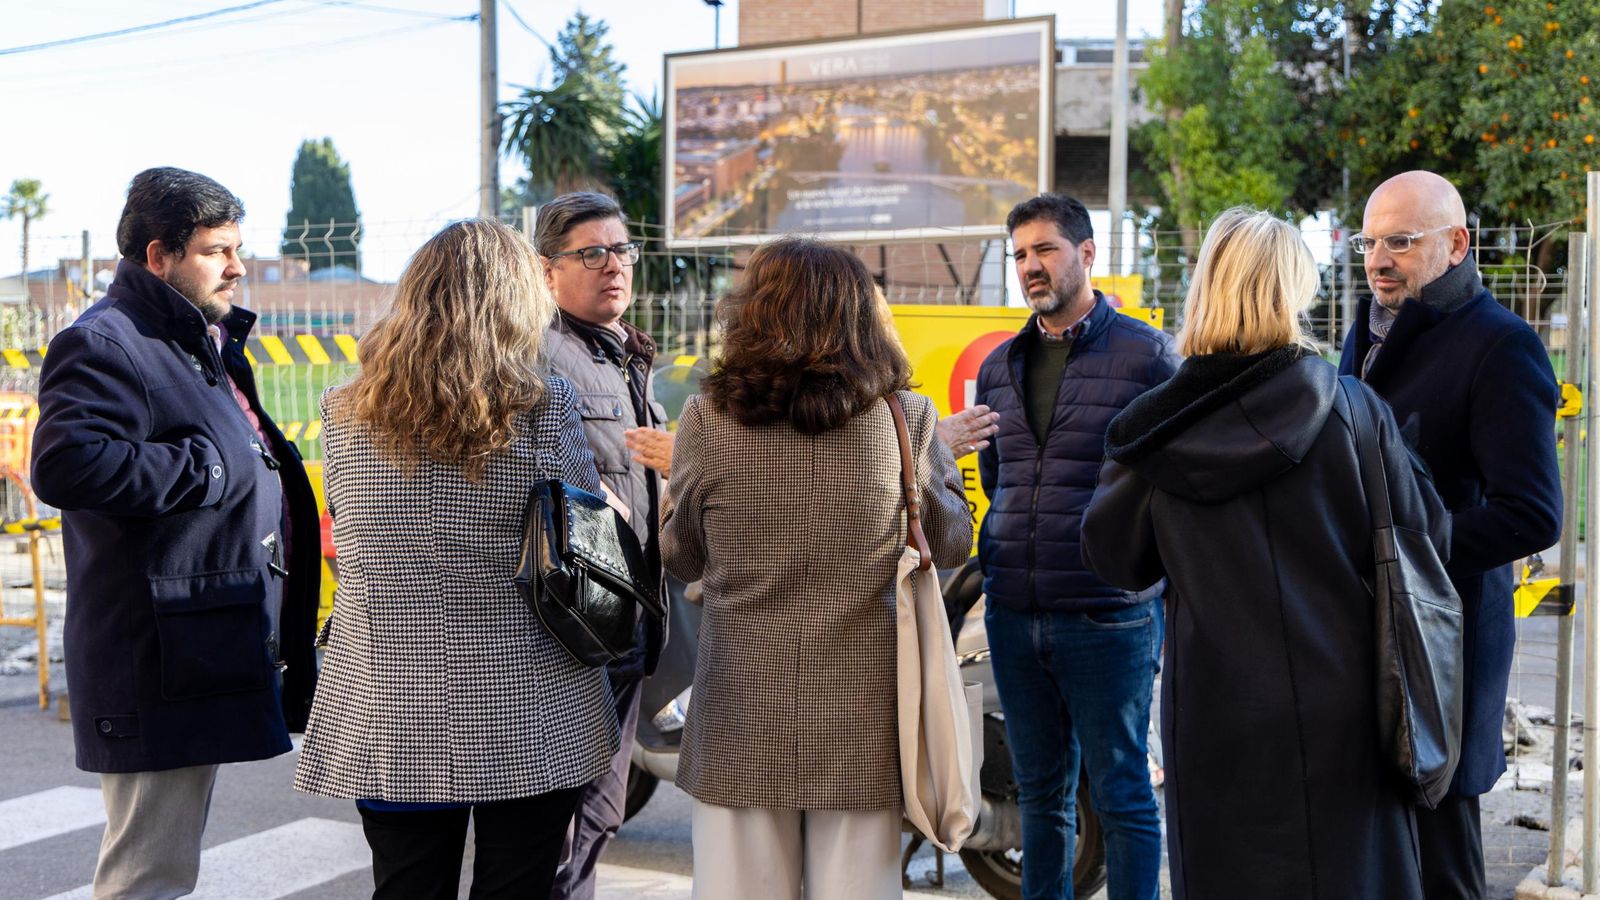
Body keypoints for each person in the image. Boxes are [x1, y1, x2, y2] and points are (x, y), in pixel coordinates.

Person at [1082, 208, 1452, 897]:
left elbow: (1115, 558)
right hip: (1349, 704)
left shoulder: (1155, 431)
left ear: (1207, 287)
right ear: (1293, 291)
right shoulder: (1356, 411)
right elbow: (1427, 537)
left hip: (1218, 713)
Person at [292, 219, 618, 898]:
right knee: (518, 885)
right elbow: (584, 529)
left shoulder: (344, 410)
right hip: (527, 699)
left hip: (389, 695)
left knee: (406, 886)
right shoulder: (545, 404)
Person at [31, 167, 321, 898]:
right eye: (216, 251)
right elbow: (65, 465)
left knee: (164, 868)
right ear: (158, 256)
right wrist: (211, 471)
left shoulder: (194, 336)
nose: (237, 266)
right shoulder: (107, 341)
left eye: (238, 248)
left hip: (200, 642)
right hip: (154, 656)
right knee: (147, 875)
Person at [662, 237, 971, 899]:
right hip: (862, 715)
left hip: (739, 716)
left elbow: (682, 554)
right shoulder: (905, 418)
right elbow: (951, 544)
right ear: (861, 317)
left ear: (749, 314)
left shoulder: (705, 420)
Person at [1339, 170, 1562, 898]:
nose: (1378, 259)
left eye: (1400, 241)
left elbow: (1532, 514)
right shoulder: (1365, 330)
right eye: (1368, 242)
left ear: (1458, 244)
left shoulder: (1502, 345)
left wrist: (1403, 555)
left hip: (1446, 648)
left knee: (1443, 864)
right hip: (1366, 638)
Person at [974, 193, 1178, 900]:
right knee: (1041, 796)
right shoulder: (999, 366)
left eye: (1045, 250)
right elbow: (998, 479)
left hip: (1108, 615)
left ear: (1087, 254)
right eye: (1020, 254)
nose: (1031, 266)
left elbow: (1171, 485)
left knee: (1122, 792)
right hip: (1016, 612)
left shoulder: (1148, 356)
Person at [533, 191, 670, 900]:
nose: (613, 266)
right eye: (592, 253)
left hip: (623, 625)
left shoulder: (624, 354)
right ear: (548, 270)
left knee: (598, 816)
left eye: (622, 250)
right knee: (567, 827)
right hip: (577, 630)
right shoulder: (543, 354)